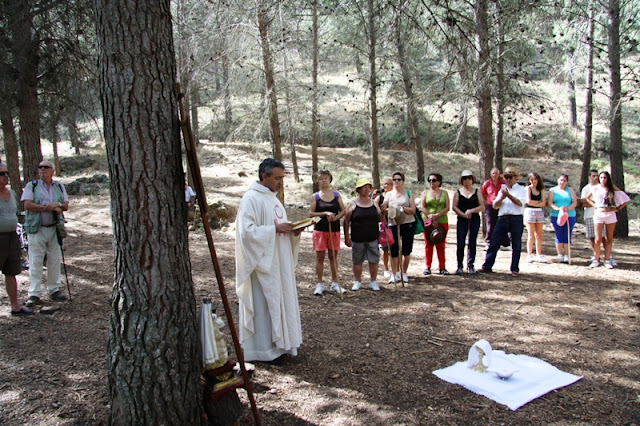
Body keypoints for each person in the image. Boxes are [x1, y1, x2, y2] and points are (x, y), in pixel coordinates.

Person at [235, 158, 303, 363]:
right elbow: (246, 233)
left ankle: (282, 345)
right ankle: (264, 351)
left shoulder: (274, 199)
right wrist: (274, 229)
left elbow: (279, 228)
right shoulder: (251, 199)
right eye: (277, 178)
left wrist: (293, 231)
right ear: (264, 176)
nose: (281, 182)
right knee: (264, 307)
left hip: (279, 262)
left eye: (282, 178)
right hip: (262, 265)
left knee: (280, 302)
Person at [21, 160, 69, 307]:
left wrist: (57, 205)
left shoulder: (59, 186)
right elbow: (27, 205)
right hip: (37, 228)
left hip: (55, 228)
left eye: (46, 167)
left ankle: (54, 290)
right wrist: (46, 208)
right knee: (35, 260)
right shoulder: (31, 186)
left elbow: (65, 205)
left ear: (52, 170)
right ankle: (34, 293)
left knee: (54, 259)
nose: (42, 169)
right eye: (40, 167)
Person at [479, 166, 527, 276]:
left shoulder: (521, 189)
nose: (508, 179)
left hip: (516, 218)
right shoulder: (502, 189)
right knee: (494, 242)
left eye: (510, 177)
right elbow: (495, 205)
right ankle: (487, 266)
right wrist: (501, 197)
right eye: (506, 177)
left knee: (516, 244)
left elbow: (520, 203)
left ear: (515, 178)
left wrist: (508, 195)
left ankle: (514, 268)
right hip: (502, 218)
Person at [0, 164, 33, 315]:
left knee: (11, 271)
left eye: (6, 172)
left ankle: (15, 307)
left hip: (12, 237)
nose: (5, 176)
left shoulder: (12, 193)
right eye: (1, 173)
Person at [309, 170, 346, 295]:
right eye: (321, 178)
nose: (323, 180)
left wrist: (336, 217)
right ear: (317, 181)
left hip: (334, 229)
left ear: (330, 180)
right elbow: (311, 213)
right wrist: (325, 213)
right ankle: (319, 284)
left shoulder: (336, 195)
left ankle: (335, 283)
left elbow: (343, 211)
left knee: (333, 257)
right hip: (320, 230)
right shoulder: (315, 196)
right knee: (320, 257)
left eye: (326, 178)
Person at [586, 171, 630, 269]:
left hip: (610, 214)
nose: (603, 179)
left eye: (605, 178)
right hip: (599, 214)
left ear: (608, 179)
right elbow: (588, 198)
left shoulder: (611, 188)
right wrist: (595, 205)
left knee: (609, 238)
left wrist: (617, 208)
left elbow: (625, 198)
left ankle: (607, 259)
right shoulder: (596, 188)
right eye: (601, 177)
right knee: (597, 239)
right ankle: (596, 259)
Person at [344, 178, 382, 291]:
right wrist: (346, 237)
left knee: (374, 260)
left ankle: (373, 281)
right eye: (364, 187)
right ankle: (358, 281)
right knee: (357, 260)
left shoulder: (374, 203)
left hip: (373, 237)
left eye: (368, 187)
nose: (366, 189)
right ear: (358, 190)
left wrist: (384, 212)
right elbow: (346, 221)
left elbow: (380, 217)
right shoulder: (352, 203)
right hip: (357, 238)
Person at [380, 172, 416, 284]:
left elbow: (413, 210)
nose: (396, 181)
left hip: (408, 223)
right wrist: (388, 210)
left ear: (403, 181)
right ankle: (394, 273)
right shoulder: (388, 194)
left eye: (399, 179)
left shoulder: (408, 193)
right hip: (393, 224)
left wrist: (402, 208)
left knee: (406, 250)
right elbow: (384, 208)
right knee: (393, 250)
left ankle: (404, 273)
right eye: (394, 179)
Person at [451, 170, 485, 275]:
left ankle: (470, 265)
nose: (467, 180)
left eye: (469, 178)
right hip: (462, 219)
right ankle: (459, 266)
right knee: (460, 243)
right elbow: (454, 207)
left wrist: (472, 210)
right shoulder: (458, 192)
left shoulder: (477, 191)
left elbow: (482, 206)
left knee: (472, 242)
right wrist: (462, 214)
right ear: (462, 180)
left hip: (474, 219)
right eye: (465, 178)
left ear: (472, 180)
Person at [420, 172, 450, 275]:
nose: (431, 182)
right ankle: (428, 267)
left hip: (442, 221)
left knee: (441, 244)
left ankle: (442, 267)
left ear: (439, 181)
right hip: (428, 222)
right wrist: (429, 215)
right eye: (430, 180)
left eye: (434, 180)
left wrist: (437, 215)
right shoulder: (425, 193)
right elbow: (422, 207)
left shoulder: (444, 193)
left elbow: (447, 207)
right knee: (428, 244)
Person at [547, 174, 577, 263]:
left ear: (567, 182)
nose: (562, 182)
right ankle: (560, 254)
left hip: (569, 215)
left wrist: (567, 208)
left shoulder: (570, 190)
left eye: (564, 181)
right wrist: (557, 208)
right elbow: (550, 202)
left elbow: (574, 202)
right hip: (556, 215)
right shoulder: (552, 190)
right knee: (559, 234)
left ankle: (567, 254)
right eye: (561, 180)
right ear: (558, 180)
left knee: (567, 234)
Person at [580, 169, 604, 264]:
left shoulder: (602, 187)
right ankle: (596, 255)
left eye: (597, 176)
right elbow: (583, 202)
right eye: (593, 176)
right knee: (592, 236)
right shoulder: (586, 188)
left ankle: (608, 255)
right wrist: (594, 203)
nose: (596, 177)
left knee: (603, 236)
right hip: (590, 214)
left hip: (602, 215)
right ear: (590, 177)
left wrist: (592, 202)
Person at [480, 168, 506, 250]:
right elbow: (482, 193)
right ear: (491, 174)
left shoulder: (503, 183)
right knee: (490, 224)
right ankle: (488, 242)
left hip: (501, 206)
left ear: (499, 174)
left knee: (502, 224)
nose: (495, 175)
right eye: (493, 173)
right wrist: (487, 200)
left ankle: (504, 243)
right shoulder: (487, 183)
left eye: (496, 173)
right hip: (490, 206)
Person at [524, 172, 547, 263]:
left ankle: (539, 254)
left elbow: (544, 203)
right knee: (531, 234)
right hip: (530, 211)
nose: (533, 181)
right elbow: (528, 201)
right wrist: (538, 202)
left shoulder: (541, 189)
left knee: (539, 235)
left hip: (539, 212)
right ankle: (529, 254)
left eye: (535, 179)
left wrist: (536, 203)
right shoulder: (528, 188)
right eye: (531, 179)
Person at [374, 176, 393, 278]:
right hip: (383, 225)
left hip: (394, 223)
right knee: (384, 247)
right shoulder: (379, 197)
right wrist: (382, 215)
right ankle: (386, 268)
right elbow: (374, 209)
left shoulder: (395, 195)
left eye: (390, 183)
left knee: (395, 247)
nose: (387, 186)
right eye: (385, 184)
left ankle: (396, 268)